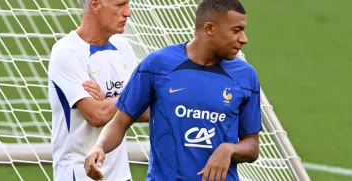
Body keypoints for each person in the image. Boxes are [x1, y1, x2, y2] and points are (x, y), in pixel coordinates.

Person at [84, 0, 262, 180]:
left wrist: (229, 149)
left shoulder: (246, 76)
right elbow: (120, 122)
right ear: (209, 28)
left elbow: (252, 146)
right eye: (236, 30)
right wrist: (99, 147)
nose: (243, 39)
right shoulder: (157, 64)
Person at [47, 0, 148, 180]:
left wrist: (109, 102)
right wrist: (130, 99)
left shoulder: (124, 48)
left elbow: (146, 110)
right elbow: (97, 115)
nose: (128, 13)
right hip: (79, 174)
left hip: (121, 176)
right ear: (94, 5)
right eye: (120, 4)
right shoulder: (67, 52)